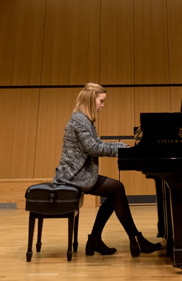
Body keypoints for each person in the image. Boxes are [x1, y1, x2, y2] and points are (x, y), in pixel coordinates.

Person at [54, 82, 163, 257]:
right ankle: (135, 238)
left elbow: (96, 144)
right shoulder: (79, 121)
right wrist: (122, 149)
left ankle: (97, 238)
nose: (102, 105)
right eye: (101, 101)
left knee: (115, 192)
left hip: (78, 173)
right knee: (117, 189)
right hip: (74, 176)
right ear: (91, 100)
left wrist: (121, 146)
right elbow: (94, 148)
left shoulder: (84, 120)